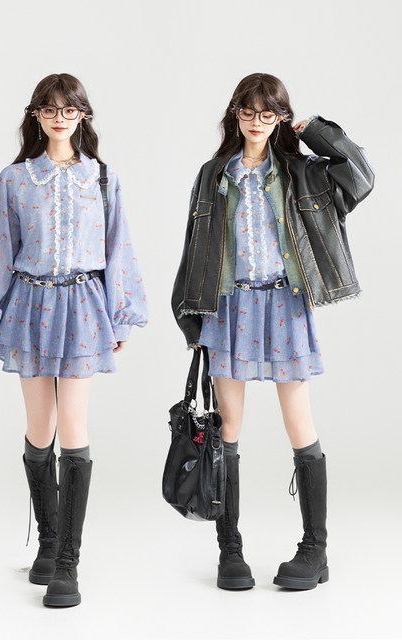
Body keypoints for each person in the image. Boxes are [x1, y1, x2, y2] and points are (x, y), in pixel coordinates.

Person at [172, 72, 374, 591]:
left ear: (281, 117)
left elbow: (360, 177)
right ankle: (230, 550)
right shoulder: (214, 174)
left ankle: (315, 550)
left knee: (298, 421)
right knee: (228, 429)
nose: (257, 121)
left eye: (269, 113)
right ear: (235, 114)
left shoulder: (303, 171)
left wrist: (316, 131)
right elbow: (195, 246)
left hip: (286, 302)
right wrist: (190, 315)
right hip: (229, 305)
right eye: (249, 111)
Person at [0, 73, 148, 607]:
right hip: (29, 305)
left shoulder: (103, 178)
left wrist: (121, 316)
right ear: (36, 116)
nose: (60, 117)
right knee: (39, 426)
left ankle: (68, 561)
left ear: (83, 115)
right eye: (49, 109)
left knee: (73, 424)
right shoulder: (16, 179)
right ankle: (47, 543)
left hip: (84, 307)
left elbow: (118, 248)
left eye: (69, 109)